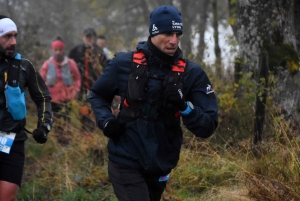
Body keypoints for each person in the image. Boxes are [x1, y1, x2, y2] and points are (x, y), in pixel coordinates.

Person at [89, 5, 218, 201]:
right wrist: (106, 120)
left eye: (178, 34)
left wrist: (185, 107)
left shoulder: (192, 73)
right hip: (125, 159)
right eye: (167, 33)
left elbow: (208, 126)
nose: (174, 41)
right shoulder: (123, 64)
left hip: (161, 163)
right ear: (153, 32)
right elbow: (97, 94)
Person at [0, 16, 52, 200]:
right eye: (7, 36)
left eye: (15, 36)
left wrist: (44, 126)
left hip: (13, 141)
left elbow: (43, 97)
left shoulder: (24, 66)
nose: (13, 41)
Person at [39, 37, 81, 145]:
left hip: (66, 99)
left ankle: (67, 144)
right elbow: (39, 81)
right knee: (57, 123)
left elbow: (77, 78)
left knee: (66, 122)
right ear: (52, 50)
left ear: (63, 50)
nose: (58, 52)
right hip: (52, 100)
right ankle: (61, 145)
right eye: (55, 50)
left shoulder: (70, 63)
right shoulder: (47, 64)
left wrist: (75, 90)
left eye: (60, 50)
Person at [69, 28, 107, 132]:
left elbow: (105, 68)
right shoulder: (76, 50)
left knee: (92, 113)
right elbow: (69, 66)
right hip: (81, 88)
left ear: (94, 39)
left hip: (94, 87)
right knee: (82, 112)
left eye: (90, 38)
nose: (88, 40)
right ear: (83, 38)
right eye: (86, 37)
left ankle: (90, 134)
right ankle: (85, 134)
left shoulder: (99, 51)